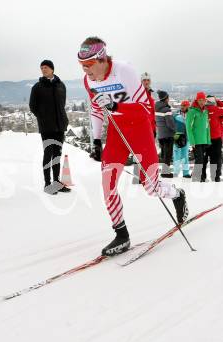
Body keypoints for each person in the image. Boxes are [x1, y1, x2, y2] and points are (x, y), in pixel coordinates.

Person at [78, 36, 188, 256]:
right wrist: (97, 141)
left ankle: (177, 195)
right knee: (107, 185)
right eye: (81, 65)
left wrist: (114, 105)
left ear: (101, 59)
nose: (85, 70)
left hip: (139, 131)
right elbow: (97, 110)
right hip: (117, 134)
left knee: (151, 188)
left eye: (89, 64)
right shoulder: (89, 80)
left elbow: (145, 109)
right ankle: (121, 235)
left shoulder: (124, 71)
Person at [29, 60, 70, 194]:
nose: (43, 69)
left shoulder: (61, 85)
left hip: (60, 125)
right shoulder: (37, 87)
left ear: (52, 69)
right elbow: (33, 106)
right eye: (42, 68)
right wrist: (43, 117)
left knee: (57, 154)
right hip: (46, 127)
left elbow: (62, 104)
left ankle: (56, 182)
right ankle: (47, 184)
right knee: (48, 154)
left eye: (46, 67)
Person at [203, 95, 223, 182]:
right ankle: (215, 177)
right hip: (216, 139)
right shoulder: (215, 110)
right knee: (215, 159)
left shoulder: (204, 110)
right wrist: (218, 101)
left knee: (204, 158)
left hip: (205, 138)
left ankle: (202, 176)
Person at [186, 92, 211, 182]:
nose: (201, 102)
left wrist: (208, 140)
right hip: (196, 140)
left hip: (204, 140)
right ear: (197, 100)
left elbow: (207, 127)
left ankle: (197, 175)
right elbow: (188, 127)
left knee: (202, 159)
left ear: (205, 101)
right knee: (199, 159)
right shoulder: (192, 111)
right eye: (199, 100)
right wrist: (192, 141)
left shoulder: (205, 111)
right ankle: (196, 177)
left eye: (203, 100)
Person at [155, 90, 175, 178]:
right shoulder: (167, 109)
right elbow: (170, 123)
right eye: (168, 97)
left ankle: (164, 171)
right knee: (168, 154)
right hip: (168, 135)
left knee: (164, 154)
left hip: (160, 134)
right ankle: (165, 172)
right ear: (166, 98)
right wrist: (175, 130)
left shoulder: (156, 108)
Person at [173, 100, 191, 178]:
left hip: (186, 138)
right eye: (182, 105)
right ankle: (176, 172)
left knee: (185, 156)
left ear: (188, 106)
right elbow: (171, 125)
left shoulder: (191, 116)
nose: (182, 107)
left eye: (184, 105)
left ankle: (186, 173)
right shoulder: (176, 115)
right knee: (176, 155)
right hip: (177, 137)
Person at [141, 72, 156, 138]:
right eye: (144, 80)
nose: (146, 82)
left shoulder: (149, 93)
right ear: (141, 81)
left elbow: (152, 113)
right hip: (143, 126)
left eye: (148, 80)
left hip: (150, 125)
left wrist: (154, 128)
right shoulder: (140, 94)